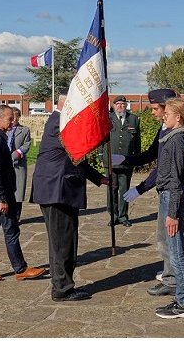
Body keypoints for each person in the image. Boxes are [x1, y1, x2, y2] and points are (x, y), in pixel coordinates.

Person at [30, 89, 110, 302]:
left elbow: (77, 158)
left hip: (60, 191)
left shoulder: (61, 123)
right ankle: (62, 289)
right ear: (66, 106)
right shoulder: (59, 124)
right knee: (62, 242)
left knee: (65, 240)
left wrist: (98, 178)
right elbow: (82, 145)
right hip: (56, 191)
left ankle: (62, 284)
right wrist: (103, 129)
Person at [111, 88, 180, 297]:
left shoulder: (173, 133)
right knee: (165, 238)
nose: (152, 113)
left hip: (171, 192)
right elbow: (151, 153)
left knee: (168, 239)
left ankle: (172, 280)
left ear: (166, 107)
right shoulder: (164, 128)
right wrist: (126, 159)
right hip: (165, 191)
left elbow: (162, 168)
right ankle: (171, 272)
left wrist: (140, 188)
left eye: (154, 109)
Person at [0, 105, 45, 283]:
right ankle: (20, 269)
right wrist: (1, 198)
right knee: (10, 231)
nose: (13, 121)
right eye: (9, 118)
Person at [154, 98, 184, 319]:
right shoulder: (172, 137)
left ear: (178, 117)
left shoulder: (178, 140)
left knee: (177, 253)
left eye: (167, 113)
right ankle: (181, 299)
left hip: (173, 198)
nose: (164, 116)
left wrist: (172, 214)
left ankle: (183, 305)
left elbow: (177, 181)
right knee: (174, 250)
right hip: (169, 196)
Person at [102, 95, 141, 227]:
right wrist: (102, 156)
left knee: (124, 190)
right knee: (111, 190)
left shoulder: (133, 119)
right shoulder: (108, 119)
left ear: (126, 106)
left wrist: (136, 159)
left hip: (126, 161)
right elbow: (102, 139)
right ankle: (113, 216)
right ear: (114, 106)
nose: (120, 106)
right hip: (110, 161)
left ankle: (123, 216)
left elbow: (137, 142)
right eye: (118, 104)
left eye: (123, 104)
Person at [8, 107, 32, 221]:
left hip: (19, 164)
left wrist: (17, 153)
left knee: (18, 191)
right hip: (6, 164)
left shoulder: (24, 130)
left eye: (17, 116)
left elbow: (27, 144)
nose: (15, 119)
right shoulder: (4, 130)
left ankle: (16, 216)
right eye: (13, 116)